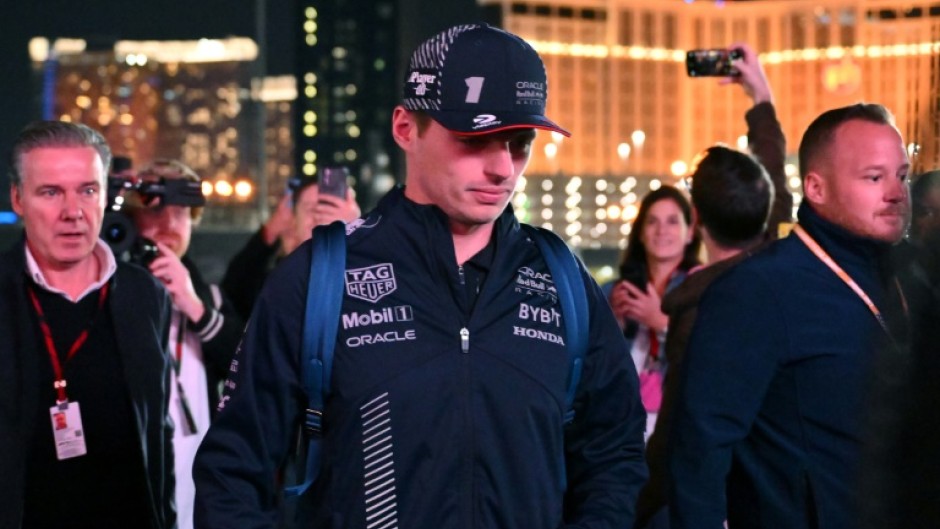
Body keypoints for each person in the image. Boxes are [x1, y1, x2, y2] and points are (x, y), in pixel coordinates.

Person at [195, 23, 647, 529]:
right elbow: (233, 475)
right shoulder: (320, 278)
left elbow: (615, 454)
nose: (504, 168)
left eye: (519, 143)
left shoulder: (563, 280)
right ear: (406, 128)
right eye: (475, 139)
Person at [668, 103, 911, 529]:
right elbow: (699, 449)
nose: (896, 192)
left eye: (902, 176)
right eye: (875, 177)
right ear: (816, 188)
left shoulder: (912, 278)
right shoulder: (756, 291)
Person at [634, 42, 786, 528]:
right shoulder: (781, 272)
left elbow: (676, 432)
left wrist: (633, 509)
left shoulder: (699, 308)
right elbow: (776, 183)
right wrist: (760, 94)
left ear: (694, 221)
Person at [0, 120, 174, 528]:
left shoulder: (144, 294)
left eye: (87, 190)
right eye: (51, 192)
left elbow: (157, 431)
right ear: (18, 198)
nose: (72, 212)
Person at [124, 158, 244, 529]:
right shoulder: (112, 291)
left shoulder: (209, 297)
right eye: (156, 211)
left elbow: (246, 366)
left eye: (181, 214)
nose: (169, 225)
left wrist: (194, 307)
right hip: (131, 469)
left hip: (196, 472)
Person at [604, 186, 699, 443]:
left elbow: (711, 354)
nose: (661, 231)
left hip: (676, 425)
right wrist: (614, 325)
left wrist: (660, 322)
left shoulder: (701, 287)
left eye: (672, 222)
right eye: (652, 221)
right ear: (641, 233)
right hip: (621, 423)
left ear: (690, 232)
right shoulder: (613, 291)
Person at [221, 177, 360, 320]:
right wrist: (270, 231)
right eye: (311, 208)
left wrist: (355, 229)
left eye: (330, 207)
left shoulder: (362, 265)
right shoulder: (277, 277)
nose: (320, 216)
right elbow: (232, 298)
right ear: (294, 220)